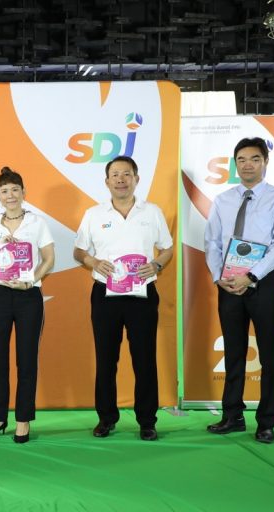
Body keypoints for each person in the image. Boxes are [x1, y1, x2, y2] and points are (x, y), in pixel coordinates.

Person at [204, 137, 274, 444]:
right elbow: (212, 241)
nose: (248, 165)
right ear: (235, 164)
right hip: (228, 283)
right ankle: (232, 415)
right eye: (242, 159)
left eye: (255, 159)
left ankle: (266, 422)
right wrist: (219, 276)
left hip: (263, 282)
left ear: (265, 162)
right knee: (233, 350)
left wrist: (252, 275)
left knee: (268, 352)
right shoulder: (223, 200)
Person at [74, 156, 173, 441]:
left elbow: (167, 248)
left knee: (145, 359)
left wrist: (156, 264)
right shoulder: (94, 214)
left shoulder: (152, 212)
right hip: (105, 295)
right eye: (115, 174)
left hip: (142, 295)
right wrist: (94, 262)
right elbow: (79, 251)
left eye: (126, 174)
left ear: (136, 179)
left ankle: (147, 421)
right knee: (106, 359)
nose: (121, 179)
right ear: (107, 182)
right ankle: (106, 418)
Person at [0, 167, 54, 444]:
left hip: (28, 296)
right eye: (4, 191)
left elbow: (49, 259)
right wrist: (0, 248)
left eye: (15, 190)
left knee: (27, 359)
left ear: (23, 192)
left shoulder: (37, 223)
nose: (10, 195)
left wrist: (31, 281)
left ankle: (23, 420)